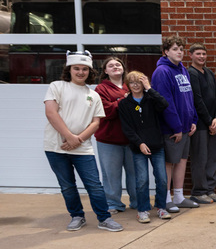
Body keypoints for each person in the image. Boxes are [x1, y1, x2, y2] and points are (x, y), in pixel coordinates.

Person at [43, 50, 123, 232]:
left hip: (82, 148)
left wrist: (78, 139)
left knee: (94, 185)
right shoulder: (57, 86)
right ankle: (77, 216)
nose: (80, 72)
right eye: (76, 68)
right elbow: (51, 112)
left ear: (90, 71)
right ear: (69, 69)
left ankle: (104, 218)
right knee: (67, 186)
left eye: (84, 69)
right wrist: (70, 137)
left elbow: (96, 122)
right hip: (56, 147)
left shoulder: (93, 95)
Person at [150, 35, 198, 213]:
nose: (179, 52)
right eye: (175, 49)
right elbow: (165, 103)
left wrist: (193, 120)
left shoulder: (182, 70)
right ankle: (166, 198)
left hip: (186, 127)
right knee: (169, 162)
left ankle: (179, 196)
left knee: (182, 161)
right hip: (171, 129)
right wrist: (176, 127)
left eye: (181, 49)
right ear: (166, 51)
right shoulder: (162, 72)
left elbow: (189, 97)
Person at [117, 71, 172, 223]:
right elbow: (127, 128)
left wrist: (149, 88)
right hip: (138, 147)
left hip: (157, 145)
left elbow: (164, 104)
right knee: (141, 180)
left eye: (139, 82)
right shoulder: (124, 104)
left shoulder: (151, 99)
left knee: (161, 178)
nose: (136, 85)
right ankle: (142, 210)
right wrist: (139, 143)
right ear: (128, 85)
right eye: (132, 82)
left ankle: (161, 208)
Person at [94, 56, 137, 213]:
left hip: (131, 139)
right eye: (110, 65)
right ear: (105, 71)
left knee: (135, 174)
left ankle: (137, 202)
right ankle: (113, 204)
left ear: (123, 68)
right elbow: (106, 111)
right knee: (111, 175)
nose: (115, 67)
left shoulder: (131, 86)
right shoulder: (101, 89)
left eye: (117, 64)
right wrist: (123, 100)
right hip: (109, 140)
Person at [187, 43, 216, 204]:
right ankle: (199, 191)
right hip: (200, 124)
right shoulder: (191, 73)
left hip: (212, 124)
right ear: (191, 55)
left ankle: (209, 189)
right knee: (200, 159)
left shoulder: (209, 73)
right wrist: (209, 121)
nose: (202, 57)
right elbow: (197, 100)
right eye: (198, 54)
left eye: (204, 54)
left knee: (212, 158)